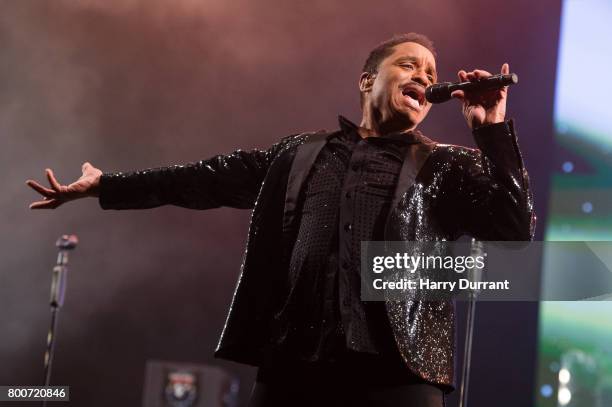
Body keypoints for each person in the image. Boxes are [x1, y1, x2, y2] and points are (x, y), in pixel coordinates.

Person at [26, 33, 535, 407]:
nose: (425, 77)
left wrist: (492, 132)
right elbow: (205, 179)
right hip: (296, 364)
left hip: (398, 370)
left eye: (431, 72)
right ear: (367, 80)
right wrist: (108, 185)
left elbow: (514, 232)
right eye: (410, 66)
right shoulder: (301, 153)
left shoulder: (446, 164)